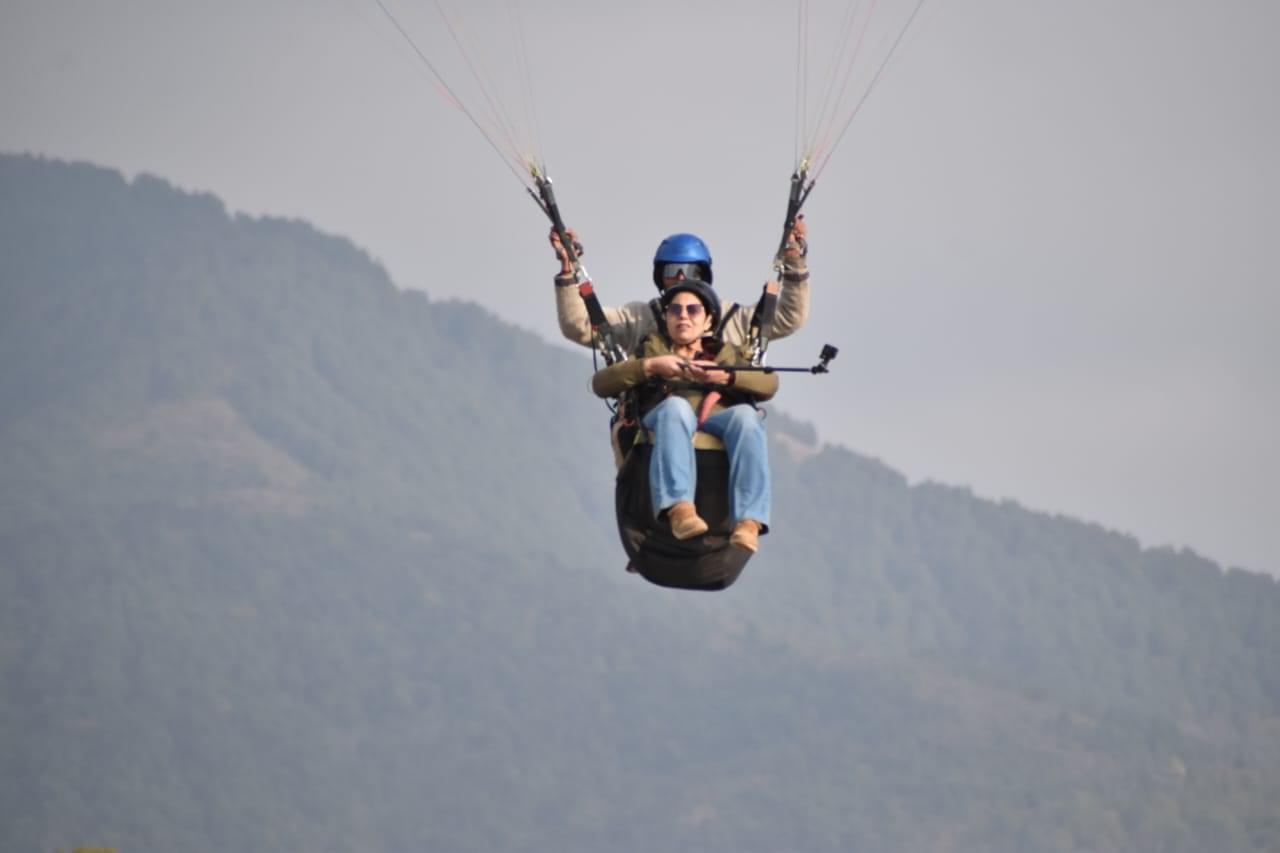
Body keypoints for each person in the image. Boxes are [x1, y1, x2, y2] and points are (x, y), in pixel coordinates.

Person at [590, 279, 778, 553]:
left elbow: (769, 383)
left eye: (693, 310)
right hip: (665, 415)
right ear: (666, 318)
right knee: (675, 409)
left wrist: (726, 375)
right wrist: (652, 367)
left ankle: (750, 521)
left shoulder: (725, 354)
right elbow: (601, 383)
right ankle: (680, 509)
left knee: (747, 419)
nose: (683, 317)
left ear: (708, 321)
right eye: (675, 310)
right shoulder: (649, 350)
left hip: (716, 419)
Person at [551, 219, 810, 353]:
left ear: (704, 274)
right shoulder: (639, 318)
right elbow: (580, 326)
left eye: (690, 271)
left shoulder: (734, 319)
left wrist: (793, 259)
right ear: (659, 276)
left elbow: (789, 317)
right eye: (671, 271)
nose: (681, 279)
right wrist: (567, 269)